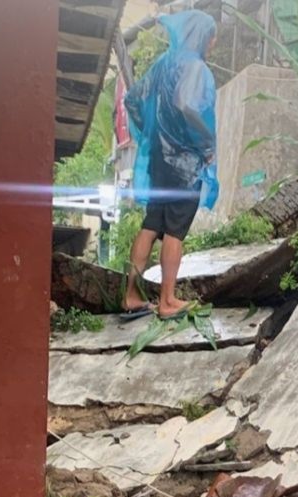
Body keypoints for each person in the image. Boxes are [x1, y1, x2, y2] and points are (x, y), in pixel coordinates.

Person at [122, 10, 219, 321]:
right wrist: (205, 145)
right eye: (212, 38)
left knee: (151, 225)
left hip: (159, 162)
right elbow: (187, 104)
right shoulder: (195, 67)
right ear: (202, 36)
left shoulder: (163, 64)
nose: (213, 43)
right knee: (175, 231)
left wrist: (150, 133)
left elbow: (133, 99)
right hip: (184, 165)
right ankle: (167, 301)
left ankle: (131, 296)